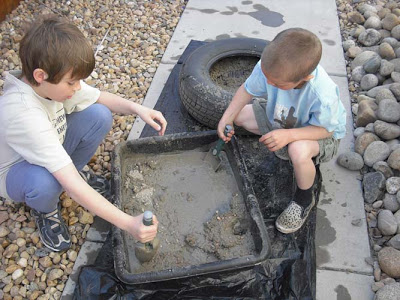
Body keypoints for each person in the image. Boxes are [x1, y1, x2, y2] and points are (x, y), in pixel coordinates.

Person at [0, 15, 167, 252]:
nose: (77, 87)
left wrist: (138, 109)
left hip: (46, 145)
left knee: (98, 115)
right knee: (46, 183)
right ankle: (45, 210)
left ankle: (75, 170)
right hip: (17, 172)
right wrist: (129, 223)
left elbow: (98, 98)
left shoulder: (51, 80)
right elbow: (72, 185)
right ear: (40, 75)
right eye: (72, 82)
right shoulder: (23, 114)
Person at [217, 28, 346, 234]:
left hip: (317, 134)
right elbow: (247, 90)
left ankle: (304, 199)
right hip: (282, 117)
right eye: (267, 78)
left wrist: (289, 136)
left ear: (305, 78)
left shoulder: (322, 95)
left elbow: (326, 130)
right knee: (240, 115)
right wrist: (227, 118)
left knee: (297, 150)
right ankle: (282, 140)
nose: (269, 83)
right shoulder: (270, 68)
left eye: (276, 84)